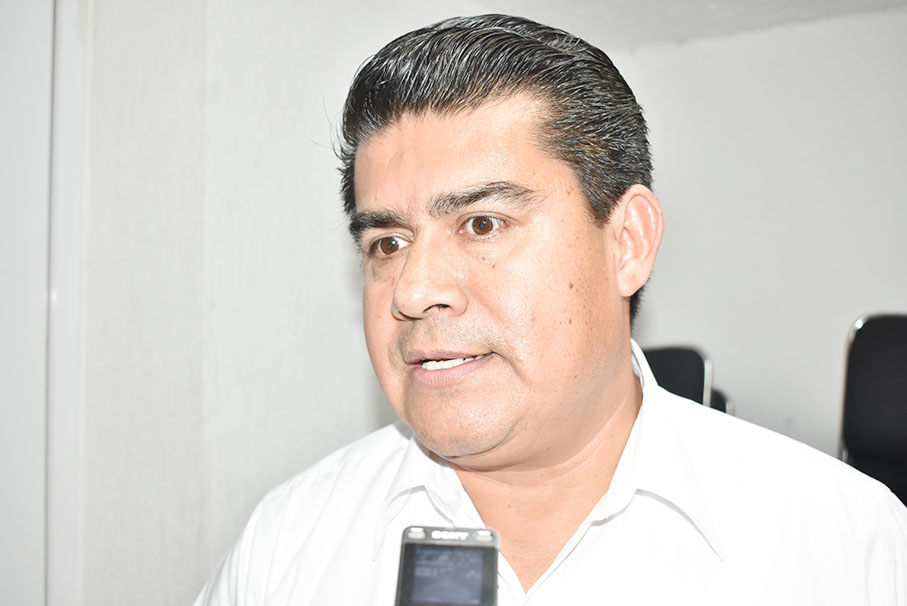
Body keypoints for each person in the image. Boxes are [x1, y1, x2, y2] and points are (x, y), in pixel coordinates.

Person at [194, 14, 907, 605]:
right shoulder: (287, 546)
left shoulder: (842, 545)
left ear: (627, 243)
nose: (411, 291)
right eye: (388, 242)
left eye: (481, 224)